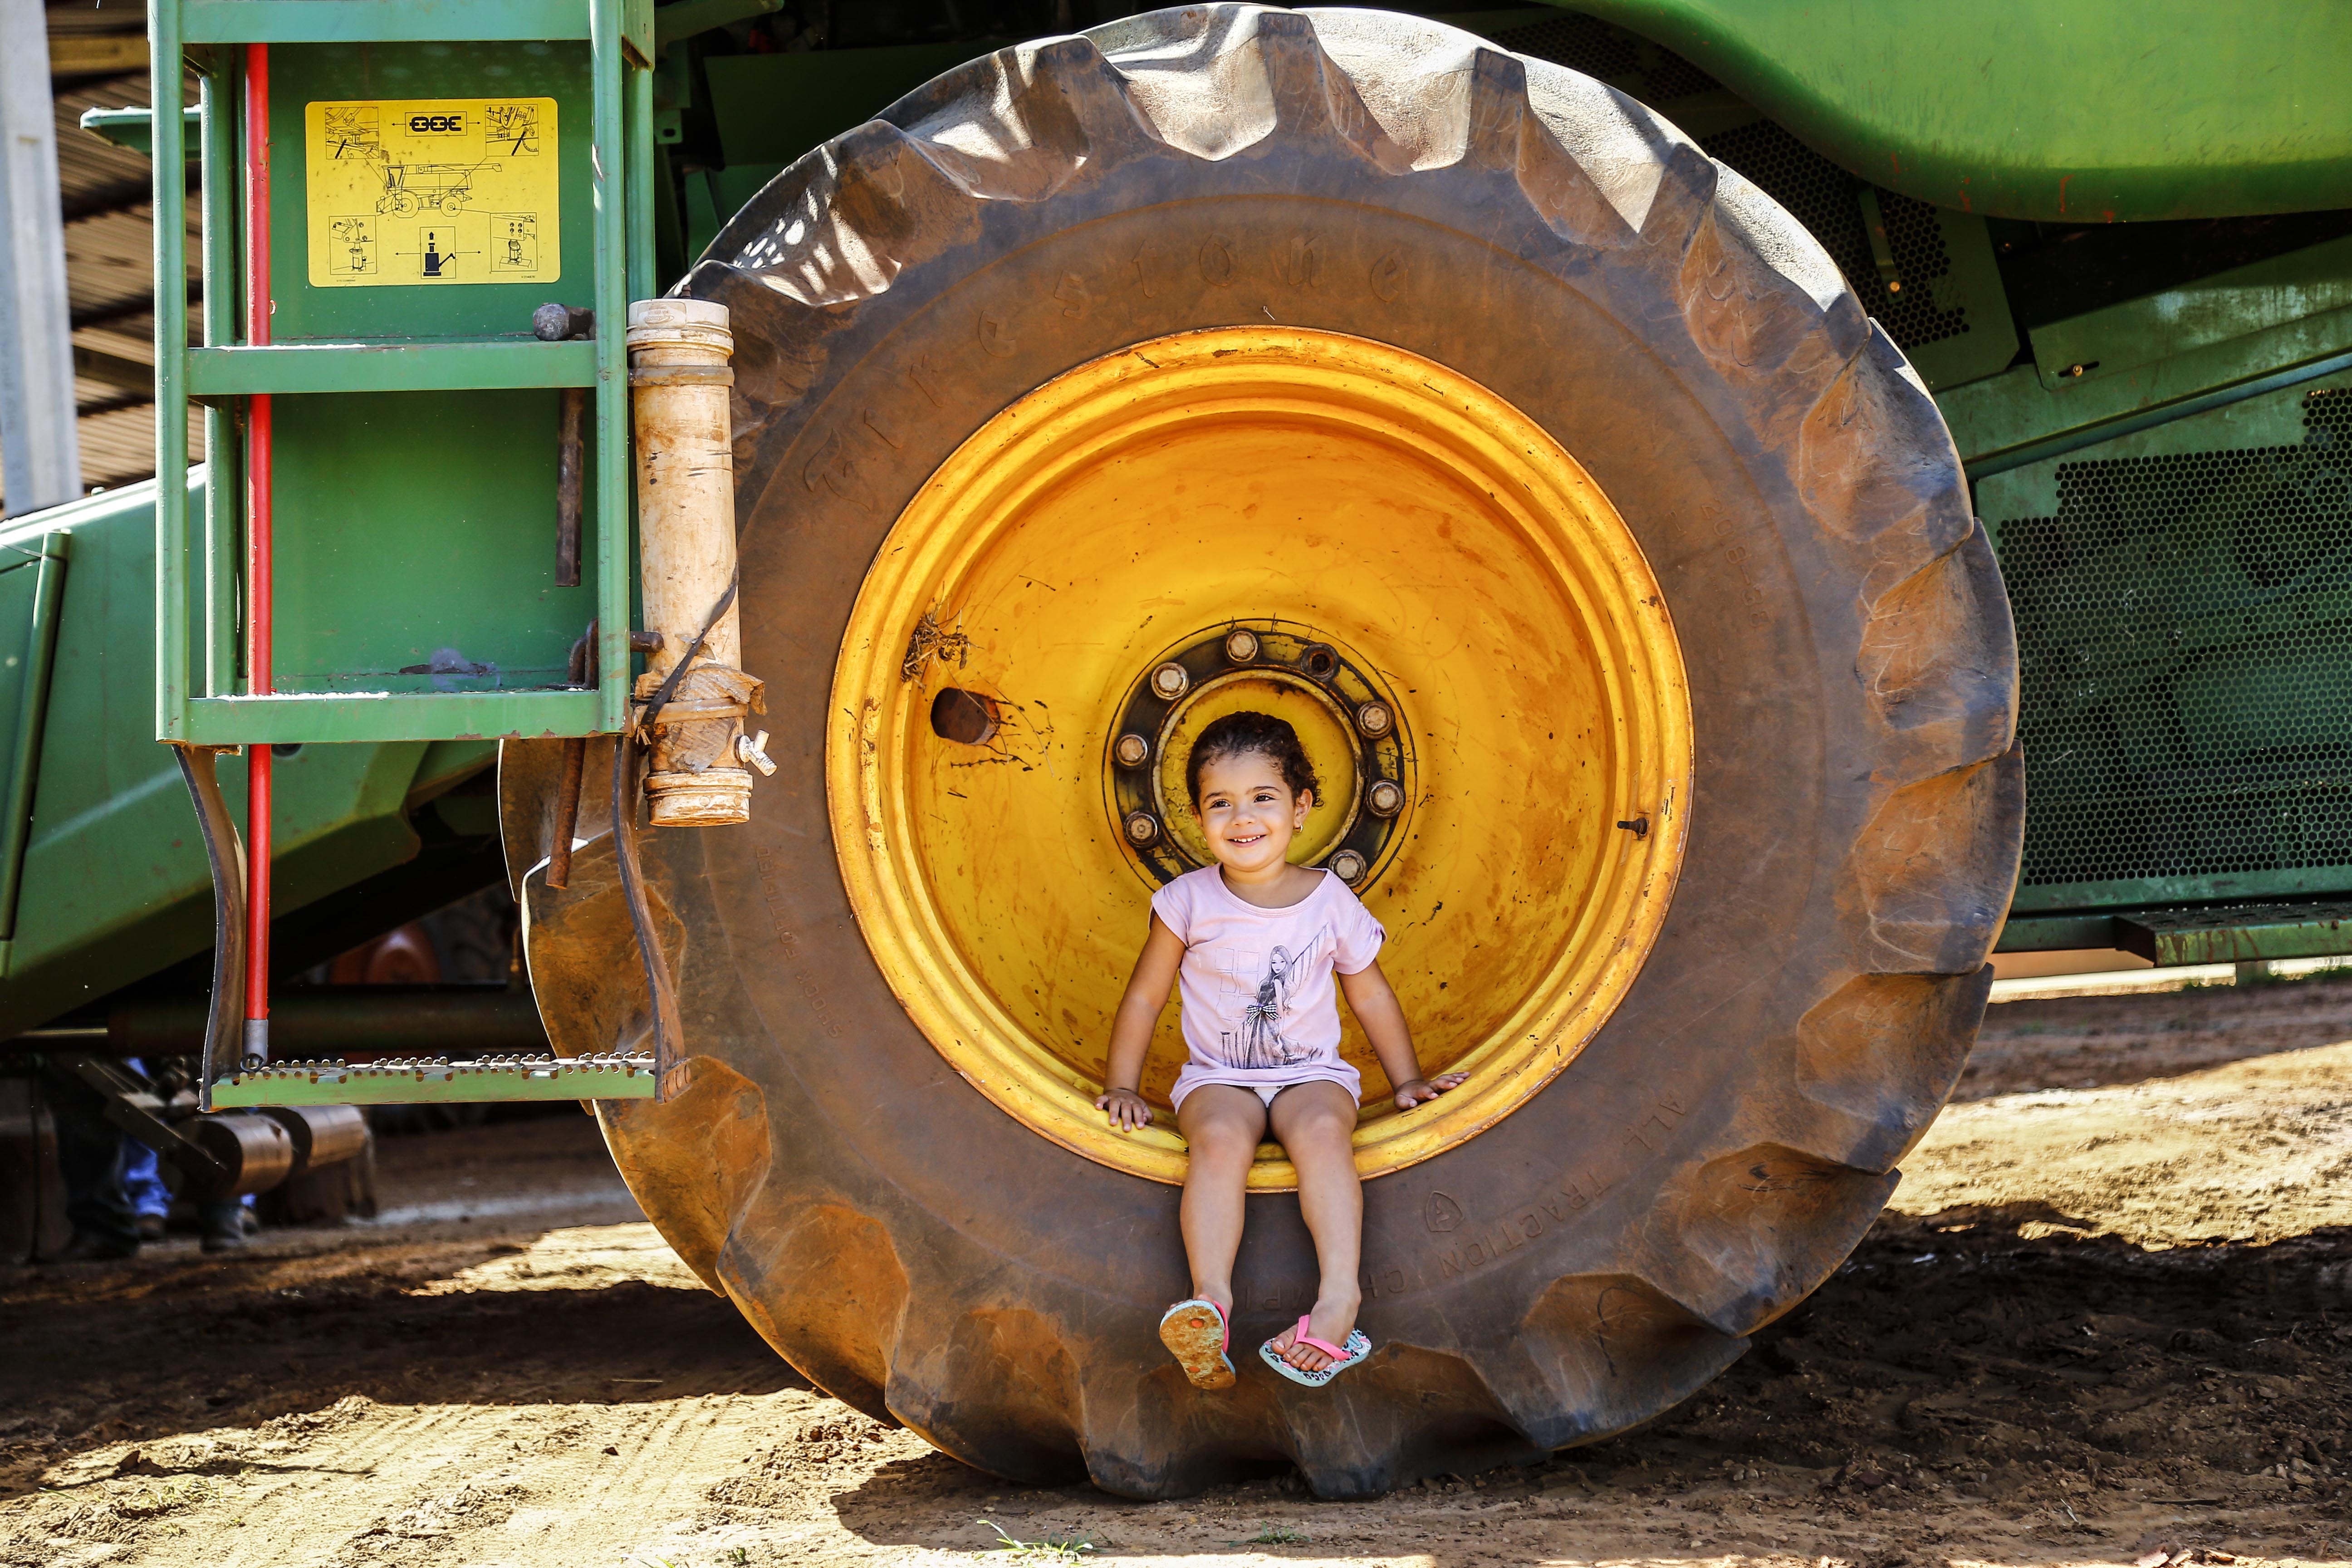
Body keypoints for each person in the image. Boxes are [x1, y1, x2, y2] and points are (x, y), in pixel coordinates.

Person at [1093, 710, 1465, 1390]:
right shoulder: (1185, 902)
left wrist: (1407, 1080)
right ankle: (1211, 1303)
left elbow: (1371, 996)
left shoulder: (1330, 901)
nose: (1243, 817)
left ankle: (1338, 1299)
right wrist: (1121, 1084)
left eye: (1262, 797)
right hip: (1219, 1077)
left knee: (1324, 1131)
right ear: (1198, 818)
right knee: (1217, 1141)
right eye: (1220, 803)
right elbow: (1144, 999)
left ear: (1301, 808)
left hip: (1311, 1074)